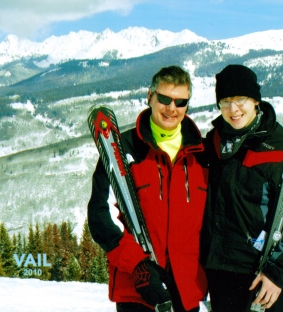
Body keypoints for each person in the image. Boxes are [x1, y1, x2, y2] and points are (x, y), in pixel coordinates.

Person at [88, 66, 208, 312]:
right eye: (164, 98)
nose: (171, 108)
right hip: (138, 290)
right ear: (149, 96)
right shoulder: (124, 151)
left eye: (181, 101)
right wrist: (138, 266)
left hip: (187, 291)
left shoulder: (202, 156)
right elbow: (101, 215)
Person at [200, 64, 283, 312]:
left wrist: (278, 273)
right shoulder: (213, 144)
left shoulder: (282, 149)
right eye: (225, 101)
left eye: (240, 99)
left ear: (255, 100)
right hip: (221, 279)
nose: (233, 109)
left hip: (265, 280)